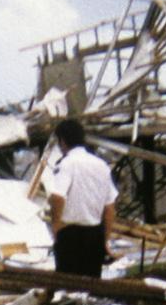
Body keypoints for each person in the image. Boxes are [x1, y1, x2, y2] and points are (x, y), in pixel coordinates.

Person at [46, 118, 118, 278]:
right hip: (95, 234)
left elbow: (57, 196)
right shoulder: (102, 165)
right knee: (91, 285)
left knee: (68, 286)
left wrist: (56, 227)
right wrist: (105, 239)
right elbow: (109, 206)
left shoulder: (67, 164)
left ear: (62, 141)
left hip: (71, 235)